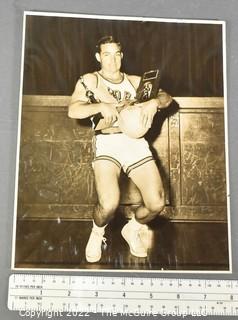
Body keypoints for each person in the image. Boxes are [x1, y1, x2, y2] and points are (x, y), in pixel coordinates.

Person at [68, 36, 173, 263]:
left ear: (121, 56)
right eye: (106, 54)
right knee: (109, 203)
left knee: (156, 203)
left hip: (135, 144)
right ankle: (97, 233)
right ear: (98, 57)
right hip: (108, 143)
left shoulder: (136, 81)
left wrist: (154, 102)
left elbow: (167, 97)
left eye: (116, 54)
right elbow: (73, 110)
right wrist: (100, 106)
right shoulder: (90, 80)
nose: (112, 60)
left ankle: (132, 228)